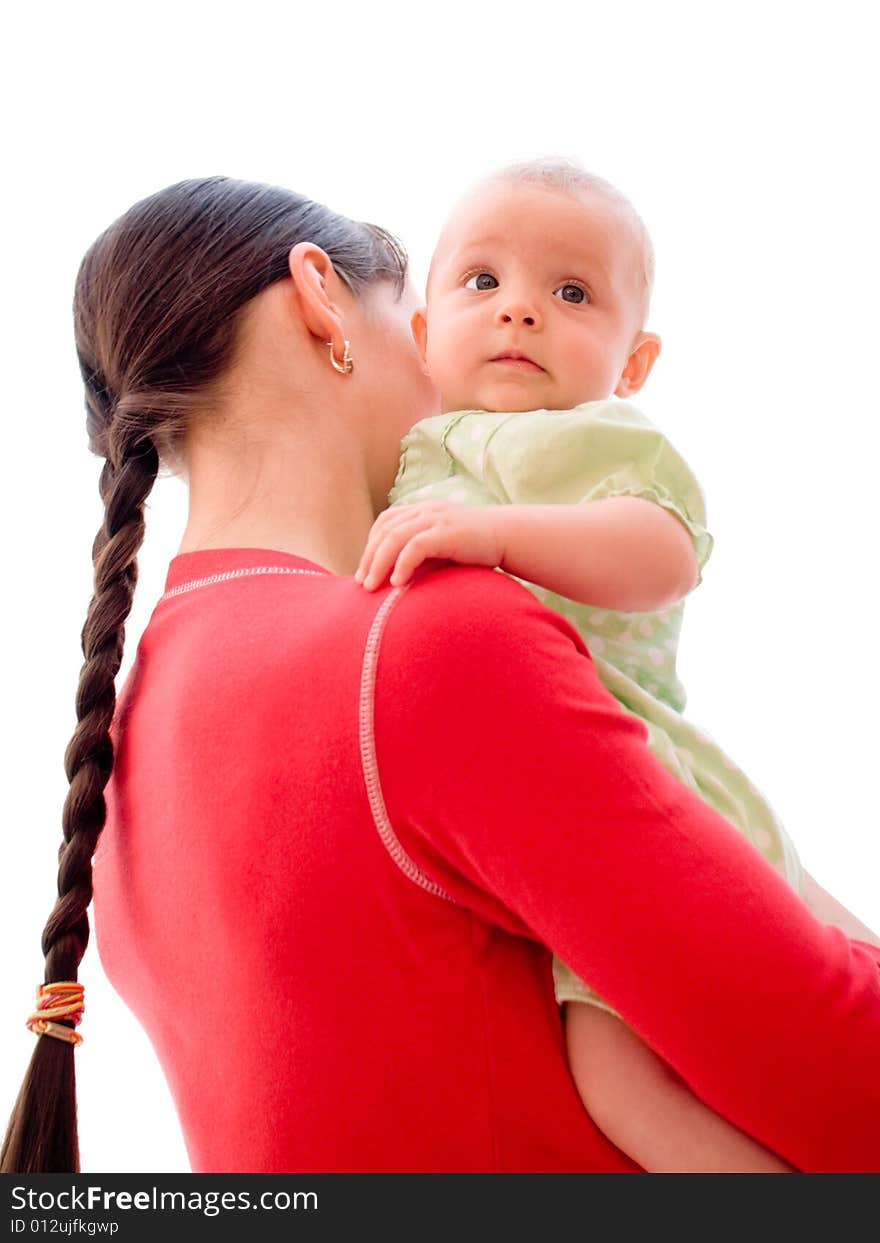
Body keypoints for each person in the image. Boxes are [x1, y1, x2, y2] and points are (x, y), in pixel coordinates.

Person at [3, 176, 880, 1176]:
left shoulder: (120, 752)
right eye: (420, 315)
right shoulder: (425, 648)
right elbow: (838, 1073)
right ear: (319, 298)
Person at [353, 159, 880, 1171]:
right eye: (481, 282)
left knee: (621, 1074)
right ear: (420, 335)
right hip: (535, 832)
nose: (520, 314)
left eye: (570, 293)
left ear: (632, 363)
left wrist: (499, 531)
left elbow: (661, 554)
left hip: (651, 788)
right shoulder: (417, 450)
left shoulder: (594, 436)